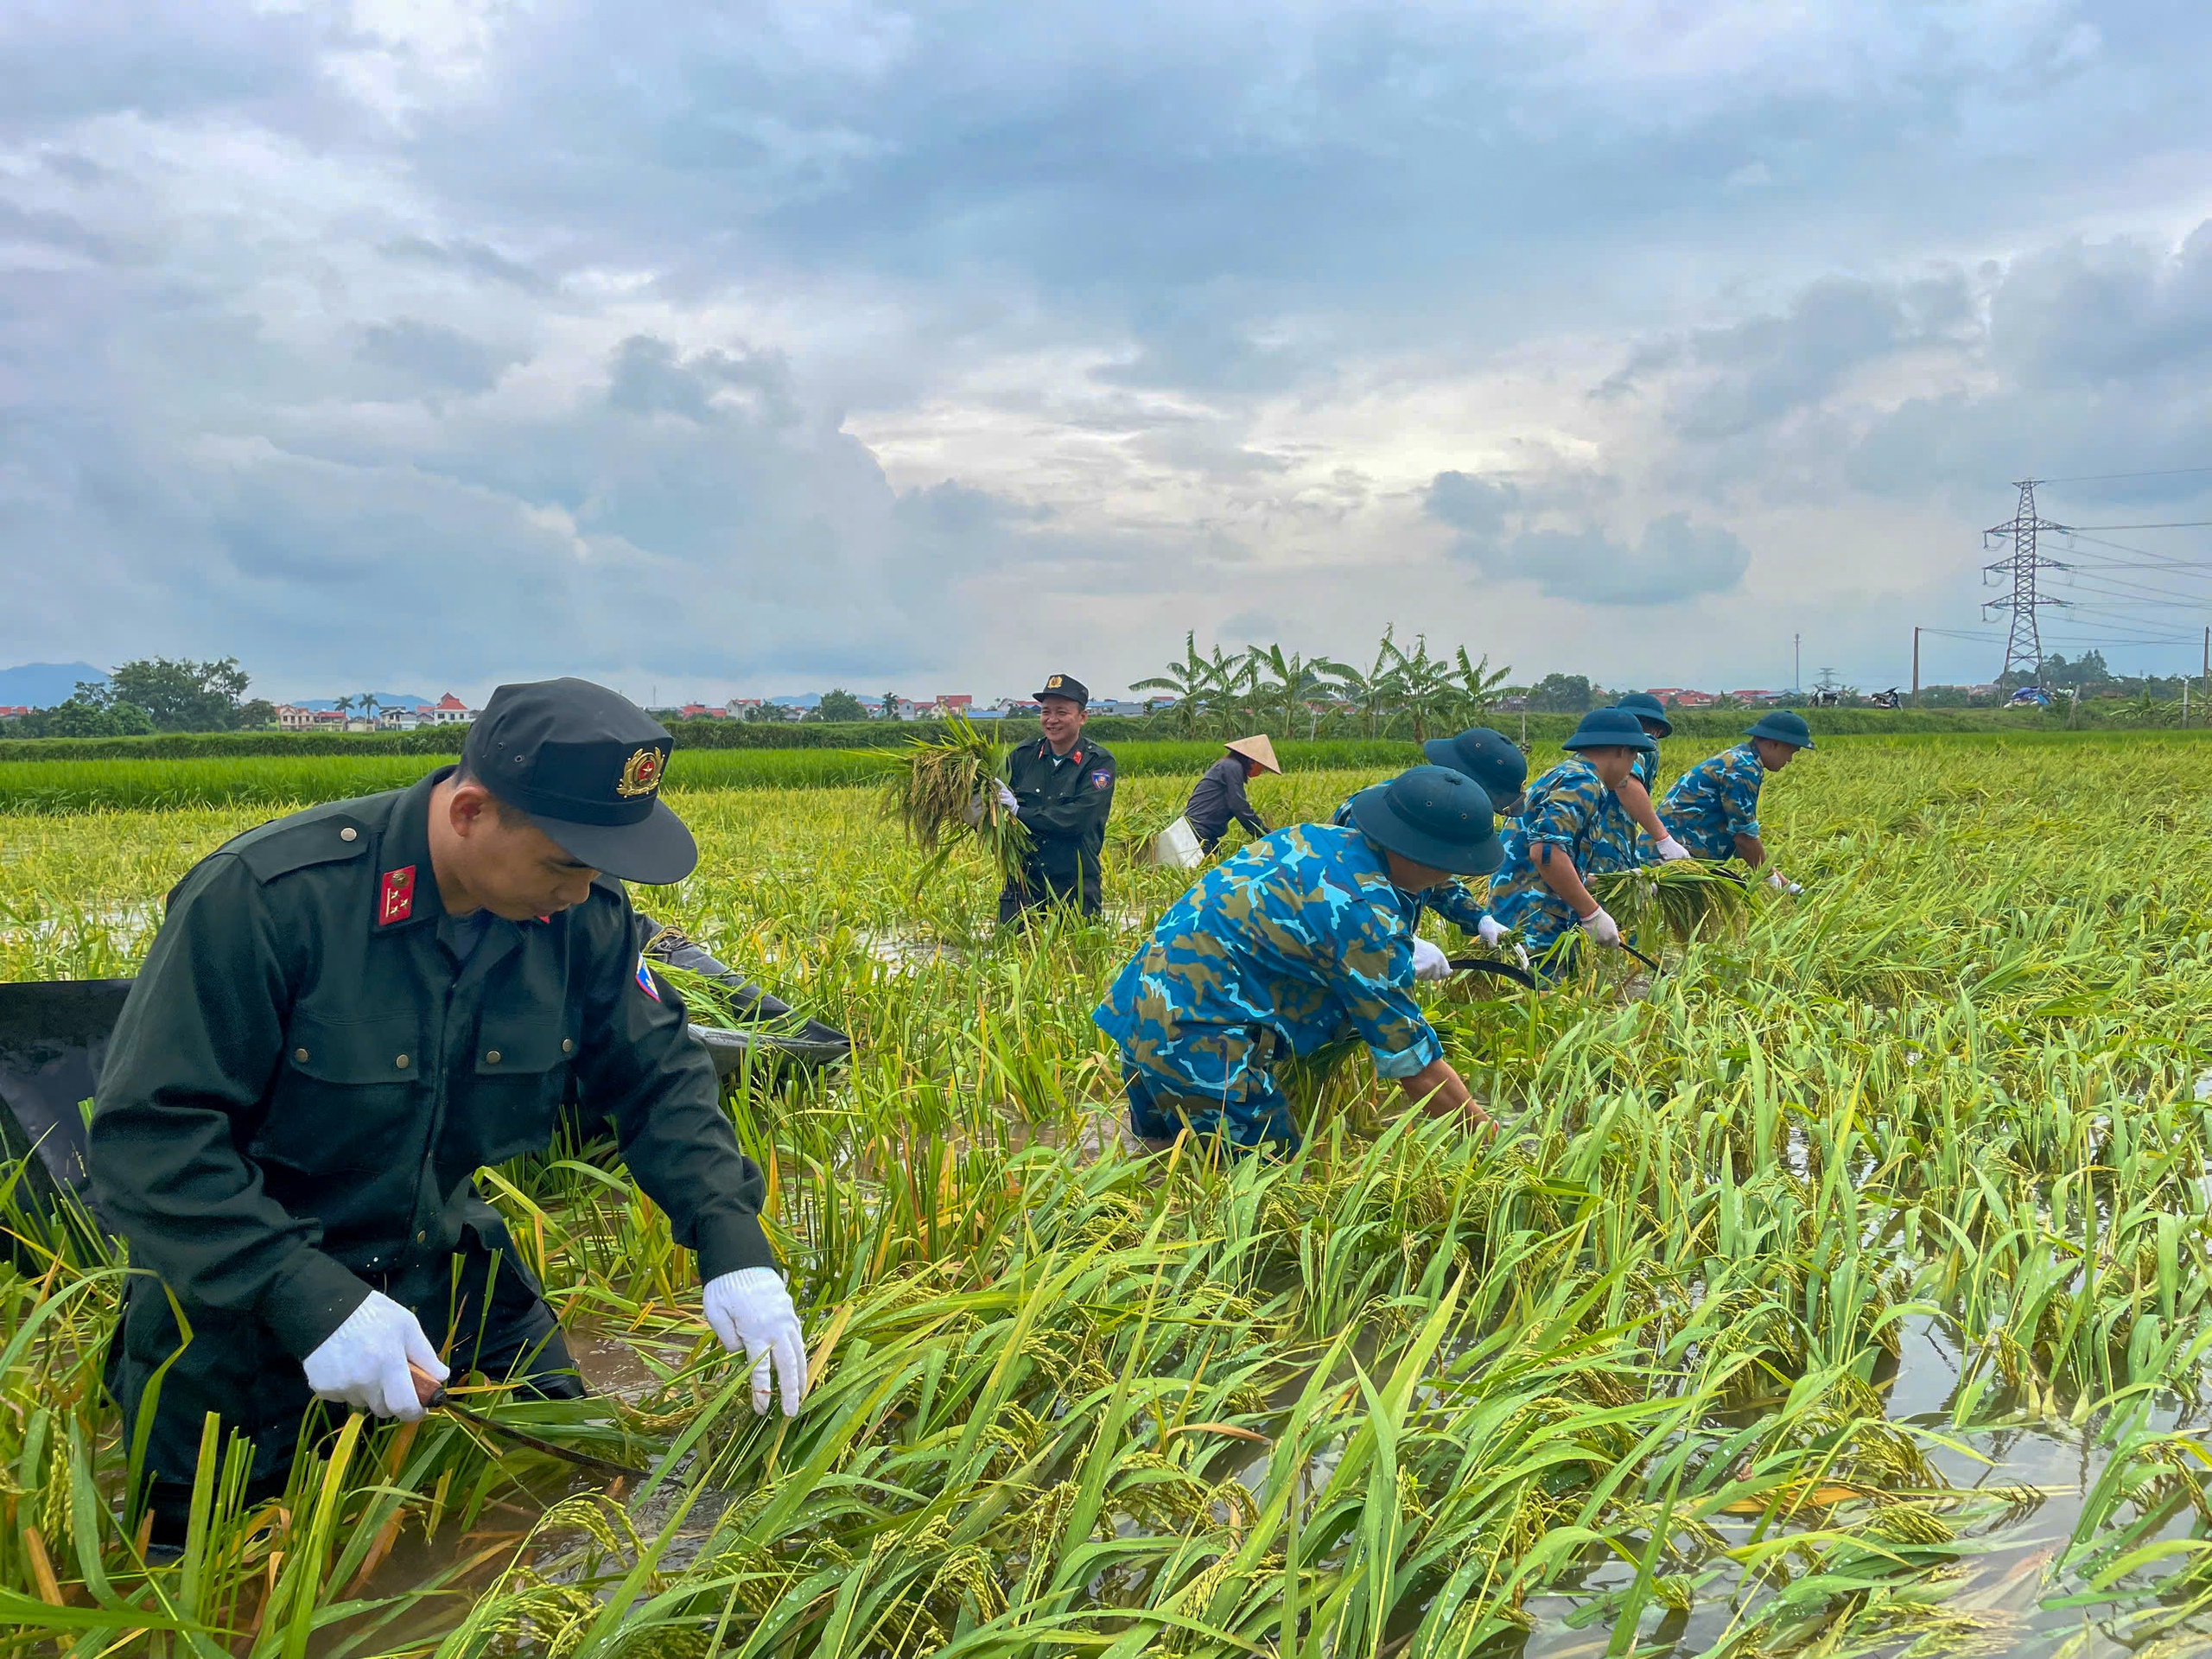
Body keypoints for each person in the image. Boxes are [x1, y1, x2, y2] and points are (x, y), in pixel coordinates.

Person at [89, 679, 810, 1551]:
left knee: (566, 1508)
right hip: (239, 1306)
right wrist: (307, 1299)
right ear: (469, 812)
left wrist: (735, 1248)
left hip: (450, 1280)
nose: (582, 893)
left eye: (597, 869)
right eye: (563, 864)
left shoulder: (577, 917)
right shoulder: (269, 900)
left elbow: (659, 1081)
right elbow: (151, 1137)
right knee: (224, 1579)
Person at [1095, 765, 1502, 1154]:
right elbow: (1414, 1064)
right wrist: (1488, 1138)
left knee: (1159, 1158)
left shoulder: (1311, 837)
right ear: (1426, 857)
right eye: (1454, 865)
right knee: (1261, 1186)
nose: (1454, 875)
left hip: (1141, 1012)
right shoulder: (1366, 918)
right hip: (1200, 1042)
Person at [1332, 726, 1529, 958]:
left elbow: (1432, 878)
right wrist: (1392, 939)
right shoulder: (1382, 820)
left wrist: (1478, 918)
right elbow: (1344, 899)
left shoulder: (1433, 815)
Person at [1484, 708, 1655, 977]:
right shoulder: (1583, 782)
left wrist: (1622, 882)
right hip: (1534, 926)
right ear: (1622, 750)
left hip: (1524, 915)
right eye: (1634, 756)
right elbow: (1546, 853)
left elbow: (1556, 862)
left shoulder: (1568, 774)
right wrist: (1592, 913)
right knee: (1541, 1008)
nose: (1632, 766)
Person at [995, 674, 1117, 925]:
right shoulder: (1022, 757)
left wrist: (1020, 811)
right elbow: (998, 812)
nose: (1051, 720)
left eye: (1061, 712)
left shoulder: (1098, 764)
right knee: (1011, 959)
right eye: (1045, 712)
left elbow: (1079, 819)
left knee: (1077, 960)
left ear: (1082, 717)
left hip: (1074, 887)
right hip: (1023, 885)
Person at [1660, 710, 1814, 890]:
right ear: (1773, 744)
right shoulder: (1742, 768)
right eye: (1791, 752)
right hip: (1669, 859)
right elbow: (1744, 838)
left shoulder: (1741, 759)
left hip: (1682, 857)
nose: (1789, 760)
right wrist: (1773, 881)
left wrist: (1783, 882)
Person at [1607, 693, 1693, 865]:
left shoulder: (1599, 746)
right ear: (1658, 729)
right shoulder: (1644, 744)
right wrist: (1664, 839)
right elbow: (1625, 783)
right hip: (1607, 846)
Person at [1185, 734, 1280, 856]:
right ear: (1252, 760)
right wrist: (1264, 833)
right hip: (1199, 832)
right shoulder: (1232, 767)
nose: (1261, 771)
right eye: (1262, 767)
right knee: (1206, 872)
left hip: (1205, 832)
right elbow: (1239, 807)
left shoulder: (1228, 766)